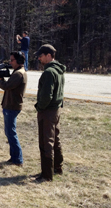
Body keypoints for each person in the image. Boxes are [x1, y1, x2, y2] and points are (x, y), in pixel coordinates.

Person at [33, 44, 65, 182]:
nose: (39, 58)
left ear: (49, 55)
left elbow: (47, 95)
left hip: (47, 111)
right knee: (55, 140)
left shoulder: (49, 72)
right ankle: (57, 167)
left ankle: (46, 175)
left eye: (41, 56)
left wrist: (39, 107)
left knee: (46, 143)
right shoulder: (59, 70)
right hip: (56, 110)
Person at [0, 51, 27, 166]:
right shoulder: (18, 72)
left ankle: (18, 159)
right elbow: (9, 86)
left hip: (12, 106)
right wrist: (1, 77)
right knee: (9, 132)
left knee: (11, 133)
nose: (10, 62)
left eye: (12, 60)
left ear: (18, 61)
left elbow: (5, 86)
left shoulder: (18, 74)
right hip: (10, 105)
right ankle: (14, 157)